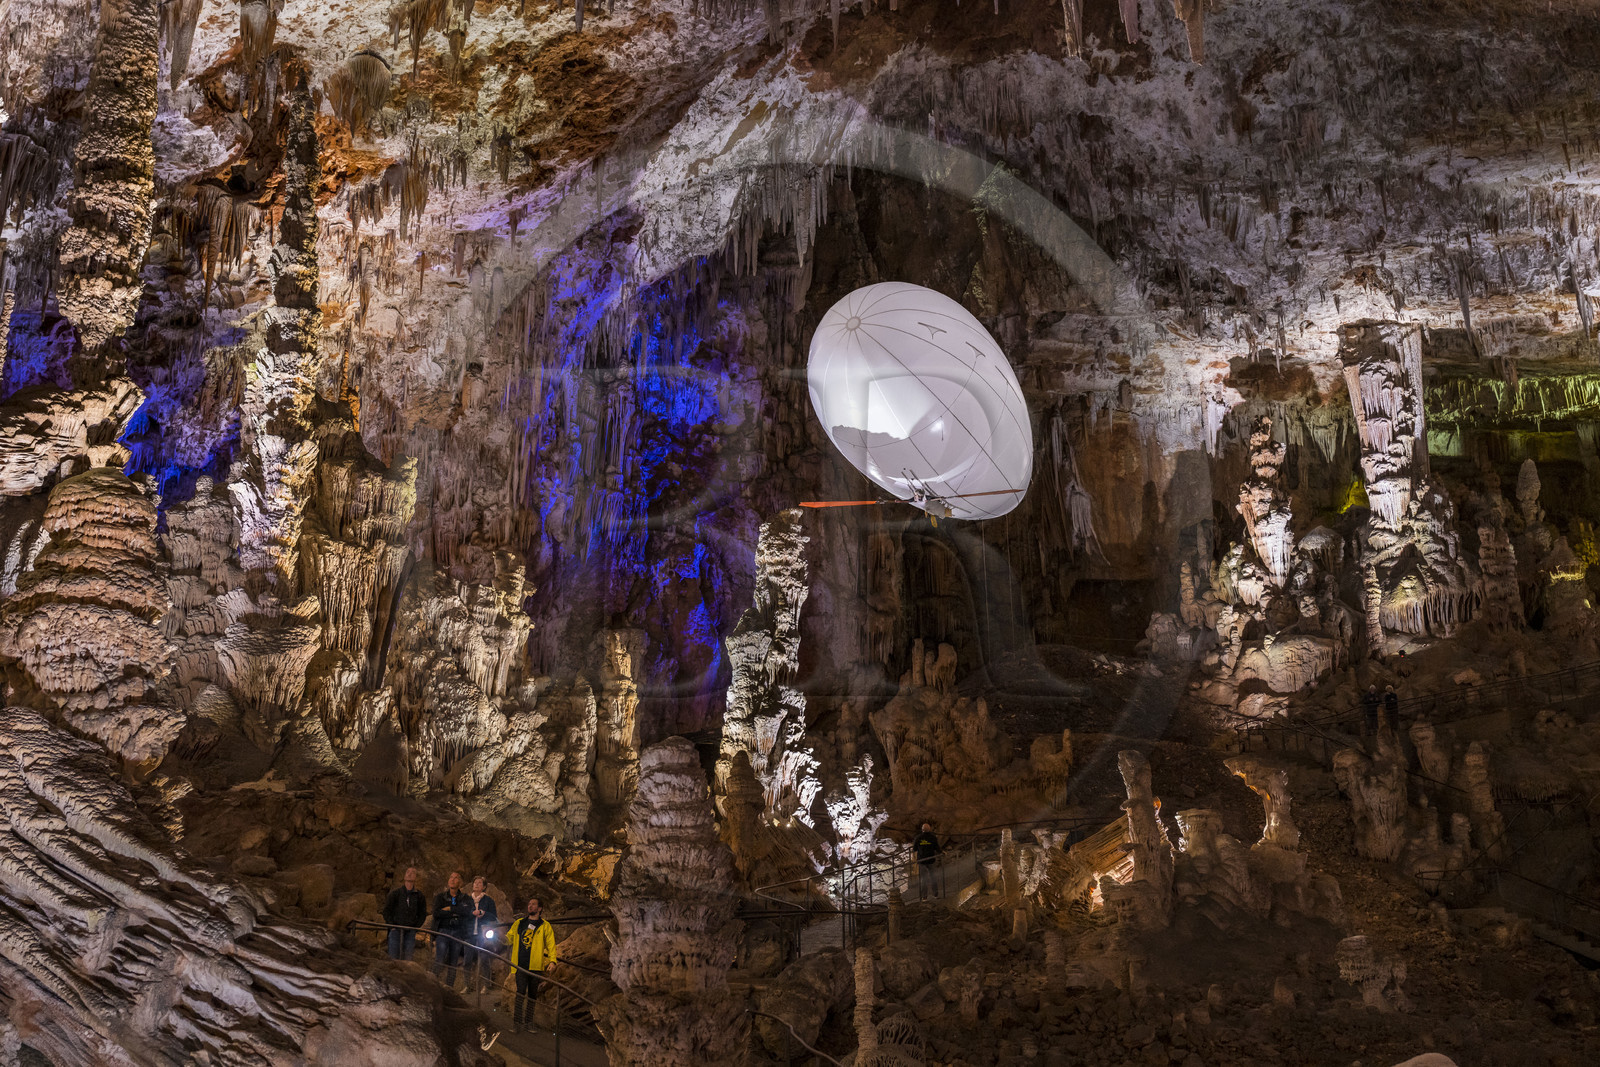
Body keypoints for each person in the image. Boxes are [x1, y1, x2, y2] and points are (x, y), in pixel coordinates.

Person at [505, 896, 559, 1033]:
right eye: (529, 904)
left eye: (533, 904)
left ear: (540, 908)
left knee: (532, 995)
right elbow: (509, 939)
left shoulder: (545, 926)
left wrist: (553, 960)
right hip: (520, 965)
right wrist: (498, 938)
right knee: (520, 993)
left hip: (535, 966)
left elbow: (551, 945)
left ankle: (529, 1022)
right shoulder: (519, 923)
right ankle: (517, 1023)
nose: (530, 906)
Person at [432, 871, 469, 988]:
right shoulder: (440, 897)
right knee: (439, 959)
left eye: (456, 878)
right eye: (451, 877)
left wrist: (450, 909)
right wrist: (455, 913)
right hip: (443, 930)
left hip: (458, 932)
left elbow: (467, 912)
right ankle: (432, 985)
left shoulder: (464, 898)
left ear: (460, 882)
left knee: (453, 963)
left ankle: (449, 989)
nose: (453, 880)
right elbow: (437, 913)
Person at [463, 876, 499, 993]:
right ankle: (467, 985)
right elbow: (462, 913)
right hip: (469, 933)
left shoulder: (488, 901)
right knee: (467, 960)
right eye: (475, 882)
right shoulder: (466, 900)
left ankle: (487, 985)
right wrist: (471, 913)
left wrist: (483, 913)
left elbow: (494, 916)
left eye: (480, 883)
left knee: (484, 959)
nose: (477, 884)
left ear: (484, 887)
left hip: (482, 934)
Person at [381, 867, 427, 960]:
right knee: (393, 958)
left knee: (408, 958)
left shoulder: (419, 896)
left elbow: (422, 913)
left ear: (416, 877)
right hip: (396, 929)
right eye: (407, 872)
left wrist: (415, 927)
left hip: (410, 931)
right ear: (404, 876)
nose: (409, 874)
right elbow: (386, 910)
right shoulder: (395, 894)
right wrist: (391, 925)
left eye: (412, 872)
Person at [912, 822, 940, 901]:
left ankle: (924, 897)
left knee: (923, 879)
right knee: (933, 877)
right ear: (929, 829)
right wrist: (942, 852)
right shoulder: (933, 837)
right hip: (931, 860)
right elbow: (937, 847)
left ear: (922, 829)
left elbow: (914, 849)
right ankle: (935, 894)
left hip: (922, 861)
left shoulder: (918, 838)